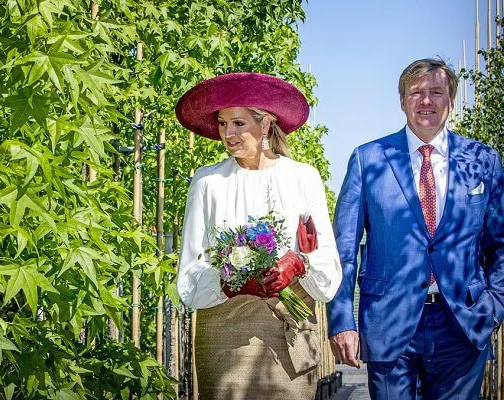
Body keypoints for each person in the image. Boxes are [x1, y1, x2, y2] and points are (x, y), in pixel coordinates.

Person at [327, 58, 504, 399]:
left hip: (464, 325)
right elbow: (344, 250)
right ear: (402, 101)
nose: (426, 101)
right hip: (388, 324)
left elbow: (499, 244)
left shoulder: (482, 160)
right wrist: (342, 320)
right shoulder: (369, 159)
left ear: (451, 100)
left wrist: (494, 306)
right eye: (416, 92)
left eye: (436, 92)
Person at [175, 72, 342, 399]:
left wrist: (296, 264)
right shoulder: (208, 183)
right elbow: (189, 273)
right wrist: (229, 281)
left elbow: (327, 267)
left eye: (238, 123)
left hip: (290, 333)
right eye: (223, 124)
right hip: (225, 336)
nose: (228, 134)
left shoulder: (303, 179)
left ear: (266, 124)